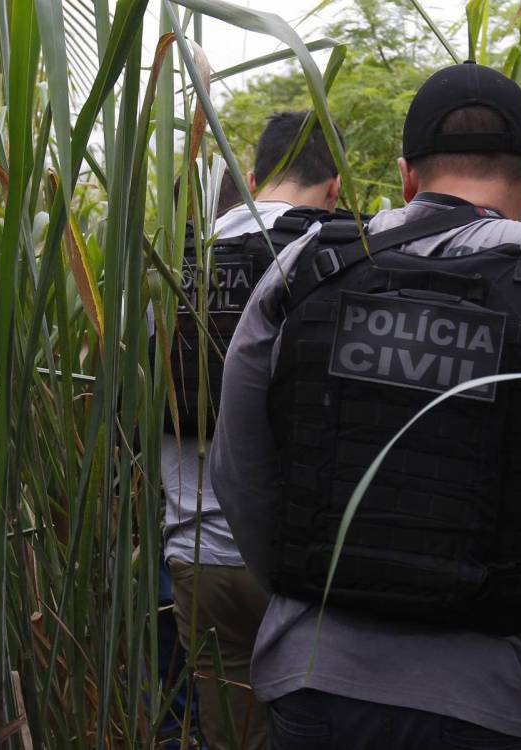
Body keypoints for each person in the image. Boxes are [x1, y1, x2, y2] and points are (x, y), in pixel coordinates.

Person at [209, 63, 521, 749]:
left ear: (407, 176)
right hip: (505, 701)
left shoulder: (302, 266)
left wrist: (313, 584)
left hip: (312, 683)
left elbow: (238, 473)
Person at [159, 111, 343, 750]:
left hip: (195, 559)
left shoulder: (176, 259)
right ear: (335, 186)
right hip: (305, 568)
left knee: (230, 731)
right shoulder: (343, 257)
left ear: (255, 175)